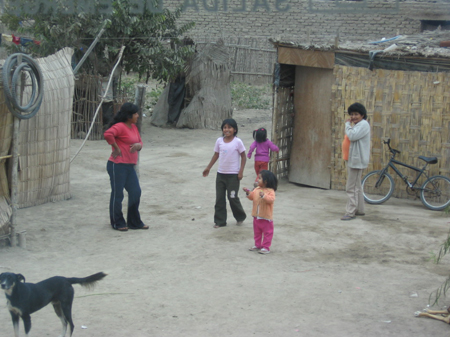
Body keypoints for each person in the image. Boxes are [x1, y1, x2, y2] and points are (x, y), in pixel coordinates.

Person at [104, 102, 148, 231]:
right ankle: (117, 222)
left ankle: (134, 221)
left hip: (129, 166)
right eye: (135, 113)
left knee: (135, 192)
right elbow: (108, 134)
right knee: (118, 194)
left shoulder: (133, 127)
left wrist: (138, 146)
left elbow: (140, 141)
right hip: (117, 165)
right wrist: (116, 148)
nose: (137, 116)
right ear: (129, 116)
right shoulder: (120, 127)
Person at [203, 118, 247, 228]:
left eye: (229, 127)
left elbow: (243, 157)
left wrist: (240, 172)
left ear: (235, 129)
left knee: (232, 197)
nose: (227, 130)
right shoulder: (219, 141)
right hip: (221, 175)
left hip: (233, 176)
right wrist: (208, 167)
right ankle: (220, 221)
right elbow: (216, 155)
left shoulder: (238, 142)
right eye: (225, 127)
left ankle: (240, 216)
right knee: (219, 198)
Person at [341, 102, 371, 221]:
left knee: (351, 187)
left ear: (362, 115)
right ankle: (360, 209)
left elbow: (352, 136)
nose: (353, 117)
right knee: (357, 186)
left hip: (357, 160)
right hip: (353, 159)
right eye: (351, 114)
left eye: (356, 114)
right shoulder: (359, 124)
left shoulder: (363, 125)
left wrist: (347, 125)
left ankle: (350, 212)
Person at [243, 170, 277, 254]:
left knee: (267, 233)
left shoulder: (270, 191)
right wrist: (248, 193)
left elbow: (271, 200)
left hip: (266, 217)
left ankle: (266, 247)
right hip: (256, 216)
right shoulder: (257, 189)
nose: (258, 180)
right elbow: (252, 197)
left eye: (260, 178)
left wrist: (264, 196)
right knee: (257, 232)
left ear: (266, 181)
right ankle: (257, 244)